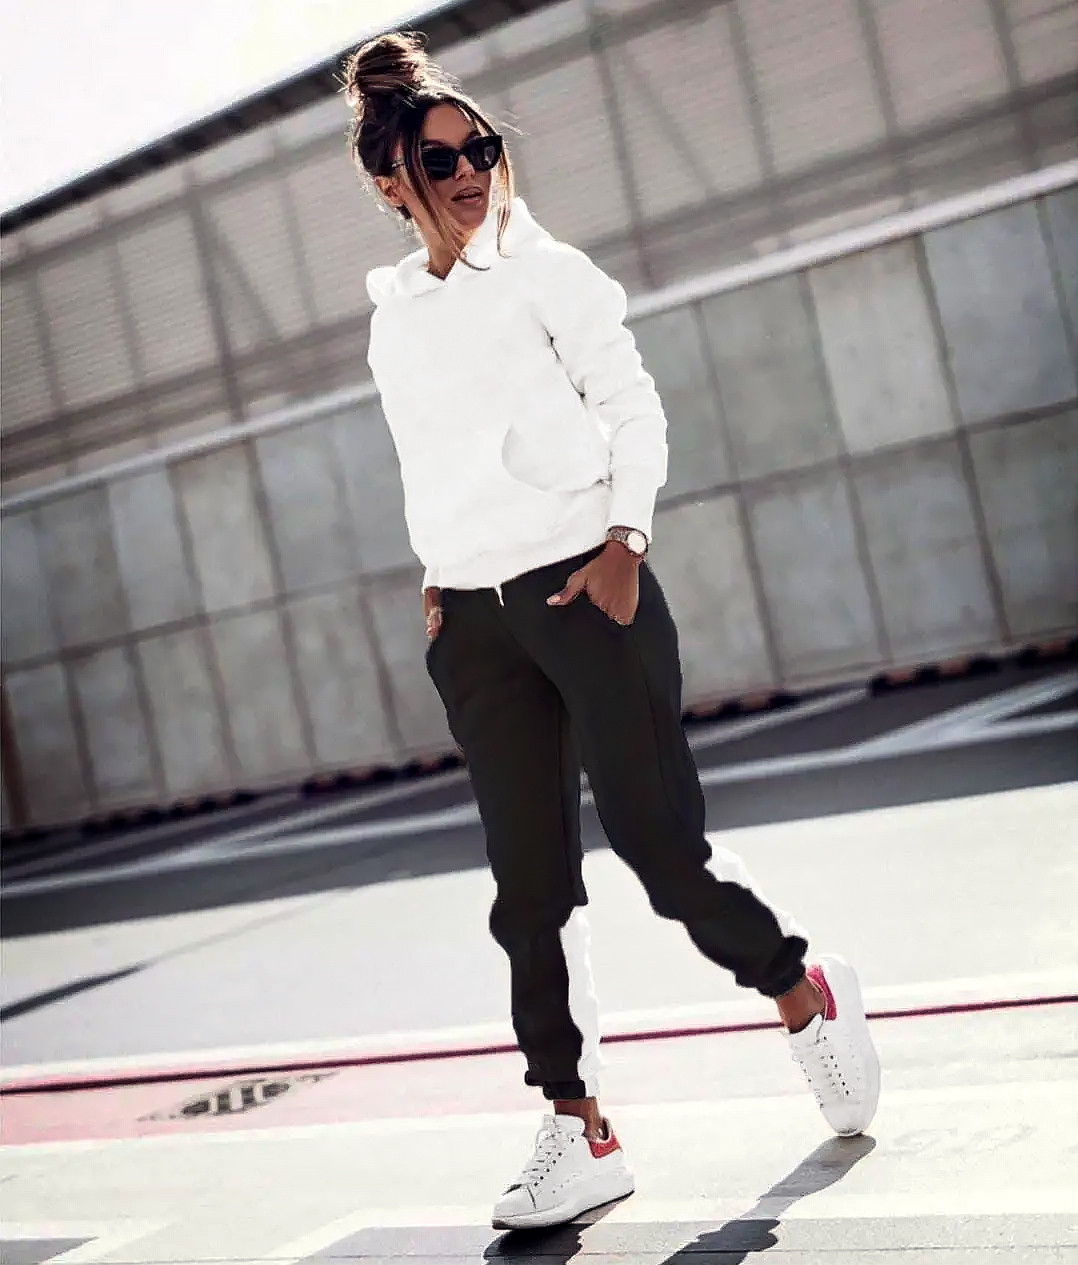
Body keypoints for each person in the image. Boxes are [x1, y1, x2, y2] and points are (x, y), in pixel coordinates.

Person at [344, 31, 880, 1232]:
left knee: (660, 848)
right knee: (527, 889)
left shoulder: (550, 275)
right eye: (442, 159)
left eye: (481, 148)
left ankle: (802, 991)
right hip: (472, 622)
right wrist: (438, 577)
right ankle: (576, 1123)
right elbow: (432, 458)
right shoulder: (393, 317)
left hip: (586, 589)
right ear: (389, 183)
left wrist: (626, 541)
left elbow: (632, 407)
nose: (472, 171)